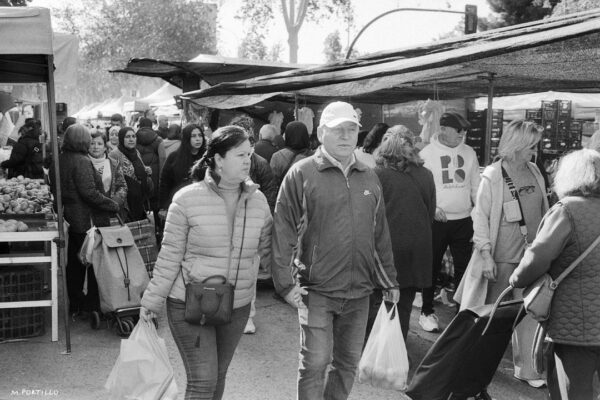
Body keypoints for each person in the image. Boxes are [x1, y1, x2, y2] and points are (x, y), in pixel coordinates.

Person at [271, 101, 399, 400]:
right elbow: (283, 232)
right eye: (337, 129)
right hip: (316, 290)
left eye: (351, 129)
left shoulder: (370, 176)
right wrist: (285, 285)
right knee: (315, 363)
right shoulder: (301, 174)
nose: (345, 135)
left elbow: (379, 233)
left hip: (360, 292)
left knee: (347, 364)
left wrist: (389, 280)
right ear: (320, 133)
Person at [139, 125, 272, 400]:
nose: (248, 160)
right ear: (218, 159)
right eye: (240, 155)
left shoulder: (258, 202)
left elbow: (272, 252)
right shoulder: (186, 200)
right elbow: (169, 256)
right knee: (203, 380)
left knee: (218, 377)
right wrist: (151, 302)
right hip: (189, 302)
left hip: (237, 304)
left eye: (250, 154)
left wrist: (296, 278)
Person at [456, 120, 547, 389]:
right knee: (493, 317)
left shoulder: (534, 170)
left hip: (532, 257)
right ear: (517, 144)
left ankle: (527, 368)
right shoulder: (493, 175)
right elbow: (480, 217)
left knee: (530, 313)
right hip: (501, 258)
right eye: (531, 145)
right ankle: (478, 364)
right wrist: (484, 254)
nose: (535, 150)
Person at [509, 148, 600, 399]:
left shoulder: (567, 210)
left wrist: (516, 279)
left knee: (573, 389)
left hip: (575, 321)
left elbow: (538, 257)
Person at [370, 127, 436, 341]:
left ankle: (374, 354)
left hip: (385, 249)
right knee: (404, 305)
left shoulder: (375, 175)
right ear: (412, 146)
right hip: (416, 249)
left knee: (377, 304)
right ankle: (396, 355)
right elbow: (430, 211)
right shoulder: (426, 175)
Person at [418, 111, 480, 332]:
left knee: (464, 268)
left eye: (465, 130)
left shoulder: (470, 152)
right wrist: (432, 208)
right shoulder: (427, 153)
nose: (463, 134)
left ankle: (460, 312)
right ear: (443, 129)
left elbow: (476, 186)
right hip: (437, 222)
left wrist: (477, 214)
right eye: (458, 129)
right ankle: (426, 311)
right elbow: (420, 189)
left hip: (464, 220)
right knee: (431, 266)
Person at [57, 124, 121, 316]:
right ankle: (92, 304)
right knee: (92, 263)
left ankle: (76, 304)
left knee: (75, 264)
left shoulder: (60, 159)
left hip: (71, 217)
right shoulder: (82, 161)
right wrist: (112, 205)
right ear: (82, 140)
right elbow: (89, 193)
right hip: (86, 220)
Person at [108, 127, 153, 221]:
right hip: (126, 204)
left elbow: (138, 168)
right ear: (121, 138)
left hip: (139, 200)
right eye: (127, 137)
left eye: (133, 136)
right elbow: (113, 179)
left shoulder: (136, 152)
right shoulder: (115, 154)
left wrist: (146, 170)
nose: (131, 139)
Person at [159, 123, 206, 212]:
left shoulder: (206, 157)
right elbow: (165, 182)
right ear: (186, 138)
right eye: (193, 136)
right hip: (179, 203)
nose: (198, 139)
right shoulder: (174, 157)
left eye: (200, 135)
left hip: (201, 204)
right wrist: (164, 206)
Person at [88, 129, 128, 222]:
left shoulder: (113, 163)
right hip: (89, 213)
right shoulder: (83, 163)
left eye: (99, 144)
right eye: (92, 143)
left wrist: (115, 202)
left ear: (105, 147)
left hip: (110, 212)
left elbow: (122, 186)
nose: (95, 147)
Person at [136, 117, 166, 215]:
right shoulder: (158, 139)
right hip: (155, 173)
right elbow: (163, 158)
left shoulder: (133, 138)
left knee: (141, 200)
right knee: (154, 201)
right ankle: (156, 226)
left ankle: (144, 224)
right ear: (151, 125)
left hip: (139, 174)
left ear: (139, 125)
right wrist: (161, 178)